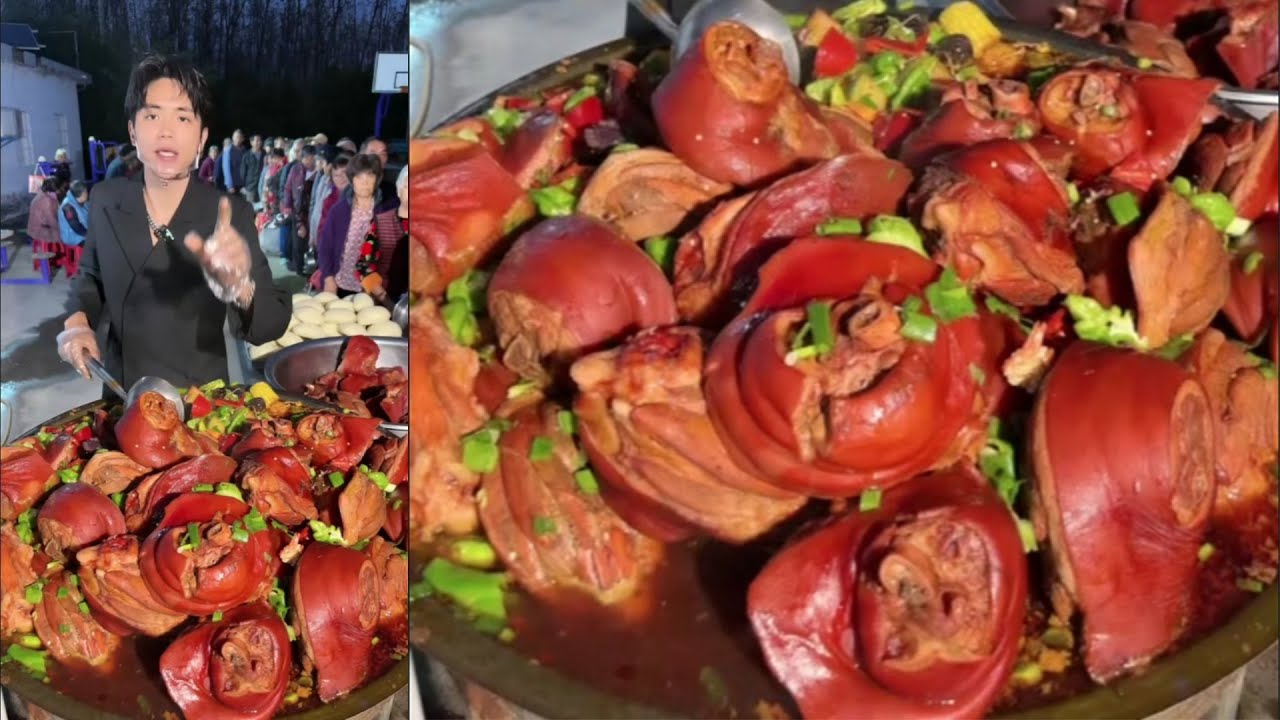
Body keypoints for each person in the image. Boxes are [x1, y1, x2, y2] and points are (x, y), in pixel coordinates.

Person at [55, 54, 289, 393]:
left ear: (201, 138)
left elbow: (270, 326)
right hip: (124, 392)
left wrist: (241, 289)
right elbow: (90, 275)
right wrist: (77, 320)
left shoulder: (229, 214)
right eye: (152, 115)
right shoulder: (107, 198)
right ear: (133, 130)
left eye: (182, 118)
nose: (166, 131)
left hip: (201, 404)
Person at [315, 153, 397, 301]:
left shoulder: (387, 210)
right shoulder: (339, 210)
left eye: (369, 177)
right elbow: (325, 246)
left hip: (372, 288)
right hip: (340, 283)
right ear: (352, 180)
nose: (364, 183)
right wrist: (328, 278)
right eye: (359, 177)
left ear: (377, 179)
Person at [283, 144, 317, 275]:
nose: (313, 161)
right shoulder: (296, 170)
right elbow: (288, 189)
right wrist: (288, 207)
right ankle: (299, 269)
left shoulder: (319, 172)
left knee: (309, 241)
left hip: (311, 213)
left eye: (314, 158)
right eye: (310, 158)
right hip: (298, 212)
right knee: (298, 241)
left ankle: (306, 267)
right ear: (304, 158)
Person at [384, 165, 409, 304]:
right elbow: (363, 268)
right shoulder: (380, 222)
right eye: (407, 186)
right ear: (398, 191)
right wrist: (383, 298)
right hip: (383, 303)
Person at [26, 177, 65, 246]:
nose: (61, 190)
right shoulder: (47, 200)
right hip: (40, 232)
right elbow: (52, 221)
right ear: (55, 188)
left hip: (34, 230)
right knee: (65, 235)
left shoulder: (41, 195)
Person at [59, 180, 90, 247]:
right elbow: (76, 227)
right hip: (74, 237)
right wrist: (91, 235)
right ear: (82, 194)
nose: (88, 193)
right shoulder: (68, 207)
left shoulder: (81, 202)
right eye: (86, 192)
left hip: (83, 232)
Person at [241, 134, 264, 205]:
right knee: (250, 208)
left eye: (260, 140)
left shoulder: (265, 154)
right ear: (251, 142)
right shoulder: (247, 155)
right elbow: (243, 172)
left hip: (262, 187)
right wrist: (244, 186)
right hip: (250, 187)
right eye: (256, 140)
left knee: (260, 209)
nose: (259, 142)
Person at [222, 128, 245, 194]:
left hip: (242, 185)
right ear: (233, 138)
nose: (237, 139)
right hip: (232, 186)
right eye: (236, 137)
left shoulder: (244, 151)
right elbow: (226, 168)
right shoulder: (228, 150)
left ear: (242, 139)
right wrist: (230, 185)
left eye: (239, 137)